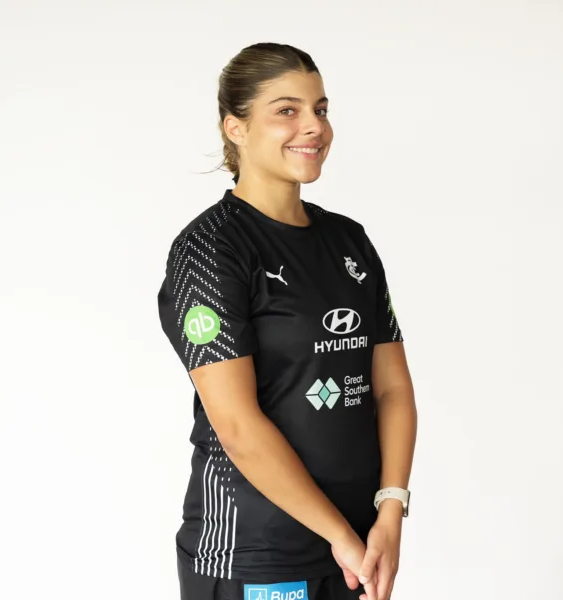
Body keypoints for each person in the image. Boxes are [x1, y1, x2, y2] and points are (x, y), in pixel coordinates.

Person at [157, 42, 417, 600]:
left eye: (320, 109)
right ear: (236, 128)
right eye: (287, 110)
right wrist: (340, 538)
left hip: (360, 546)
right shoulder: (210, 250)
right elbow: (237, 427)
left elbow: (392, 389)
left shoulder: (349, 240)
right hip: (255, 553)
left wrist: (390, 510)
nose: (314, 126)